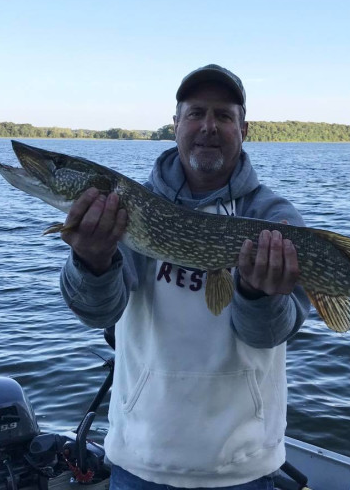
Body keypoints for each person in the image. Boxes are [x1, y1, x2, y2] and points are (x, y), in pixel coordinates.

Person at [59, 64, 310, 489]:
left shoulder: (274, 219)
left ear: (243, 129)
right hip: (140, 459)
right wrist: (91, 260)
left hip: (243, 467)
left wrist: (256, 293)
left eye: (223, 115)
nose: (208, 126)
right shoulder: (128, 209)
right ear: (175, 125)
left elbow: (271, 335)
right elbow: (96, 310)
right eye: (195, 113)